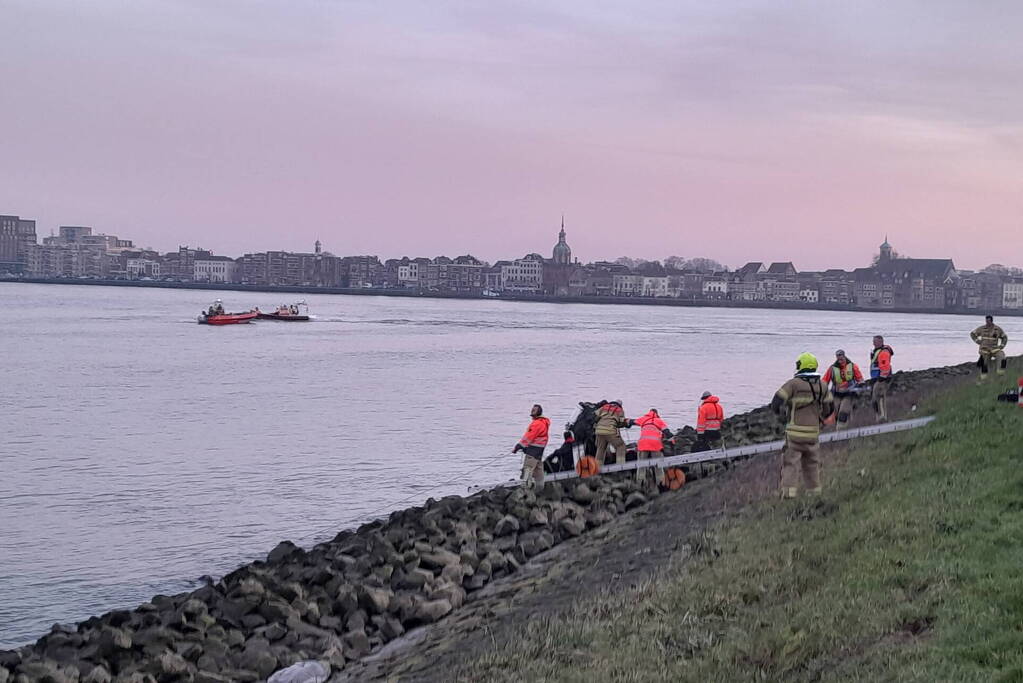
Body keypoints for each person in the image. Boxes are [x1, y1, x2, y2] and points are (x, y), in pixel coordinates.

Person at [770, 352, 835, 499]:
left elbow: (776, 403)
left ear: (800, 366)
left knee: (790, 464)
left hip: (794, 434)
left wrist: (783, 418)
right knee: (812, 464)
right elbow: (829, 409)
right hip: (813, 434)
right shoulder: (823, 386)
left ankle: (788, 495)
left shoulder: (793, 384)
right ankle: (814, 494)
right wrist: (820, 420)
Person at [822, 350, 864, 430]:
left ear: (844, 356)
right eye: (837, 356)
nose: (839, 357)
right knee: (835, 411)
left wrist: (861, 385)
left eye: (841, 355)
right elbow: (824, 381)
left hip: (849, 394)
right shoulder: (832, 368)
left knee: (843, 411)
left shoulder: (852, 366)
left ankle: (841, 430)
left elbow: (860, 379)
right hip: (836, 394)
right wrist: (821, 389)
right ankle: (837, 428)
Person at [513, 404, 549, 488]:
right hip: (539, 451)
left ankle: (525, 488)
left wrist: (518, 446)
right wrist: (525, 447)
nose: (532, 411)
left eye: (534, 410)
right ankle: (540, 489)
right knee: (538, 471)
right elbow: (536, 438)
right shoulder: (544, 422)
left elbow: (528, 436)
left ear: (538, 412)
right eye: (532, 409)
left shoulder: (536, 424)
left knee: (527, 469)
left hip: (533, 451)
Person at [631, 409, 669, 488]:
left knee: (641, 466)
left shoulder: (644, 419)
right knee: (658, 466)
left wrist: (624, 422)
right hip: (655, 445)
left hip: (643, 444)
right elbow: (667, 431)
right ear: (657, 414)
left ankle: (640, 484)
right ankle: (661, 484)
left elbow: (631, 421)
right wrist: (672, 438)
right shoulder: (659, 421)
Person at [971, 315, 1009, 383]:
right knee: (984, 365)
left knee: (1002, 357)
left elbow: (1004, 337)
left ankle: (1000, 374)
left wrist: (1001, 346)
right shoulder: (982, 328)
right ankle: (983, 380)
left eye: (988, 321)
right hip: (984, 350)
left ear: (991, 321)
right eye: (986, 321)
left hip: (994, 349)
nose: (987, 323)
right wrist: (978, 341)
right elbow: (972, 334)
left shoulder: (997, 329)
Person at [594, 400, 629, 466]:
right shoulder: (619, 410)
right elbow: (621, 422)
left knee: (600, 449)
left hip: (599, 431)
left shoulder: (604, 407)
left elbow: (595, 417)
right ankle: (620, 467)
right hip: (610, 430)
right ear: (620, 405)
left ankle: (597, 470)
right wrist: (627, 424)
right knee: (621, 446)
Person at [869, 335, 894, 423]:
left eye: (875, 341)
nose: (873, 343)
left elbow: (885, 366)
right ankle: (880, 417)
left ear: (880, 342)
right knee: (878, 398)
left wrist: (882, 378)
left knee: (878, 397)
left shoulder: (883, 352)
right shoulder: (877, 352)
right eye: (873, 341)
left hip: (881, 379)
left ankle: (882, 417)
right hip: (876, 378)